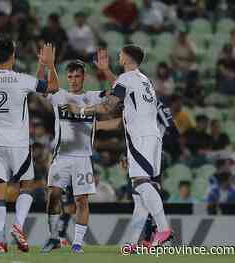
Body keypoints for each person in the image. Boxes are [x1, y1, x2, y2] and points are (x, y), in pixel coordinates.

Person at [66, 45, 173, 249]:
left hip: (140, 137)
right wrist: (105, 71)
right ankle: (132, 242)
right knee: (139, 194)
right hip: (153, 137)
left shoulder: (128, 80)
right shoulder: (143, 80)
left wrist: (80, 111)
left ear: (127, 58)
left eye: (121, 54)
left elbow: (108, 105)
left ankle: (164, 231)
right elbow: (120, 87)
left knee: (141, 183)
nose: (118, 56)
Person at [0, 37, 59, 253]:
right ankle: (18, 226)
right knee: (27, 185)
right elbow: (52, 87)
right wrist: (48, 64)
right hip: (18, 144)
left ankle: (0, 241)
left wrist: (2, 58)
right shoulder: (21, 79)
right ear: (14, 55)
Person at [40, 60, 107, 253]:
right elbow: (40, 86)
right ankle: (53, 238)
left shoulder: (92, 97)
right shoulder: (59, 95)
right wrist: (47, 65)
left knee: (81, 201)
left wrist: (105, 71)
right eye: (70, 77)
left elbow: (115, 96)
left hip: (83, 158)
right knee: (53, 195)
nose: (74, 80)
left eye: (77, 76)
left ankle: (77, 243)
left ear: (84, 77)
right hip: (61, 157)